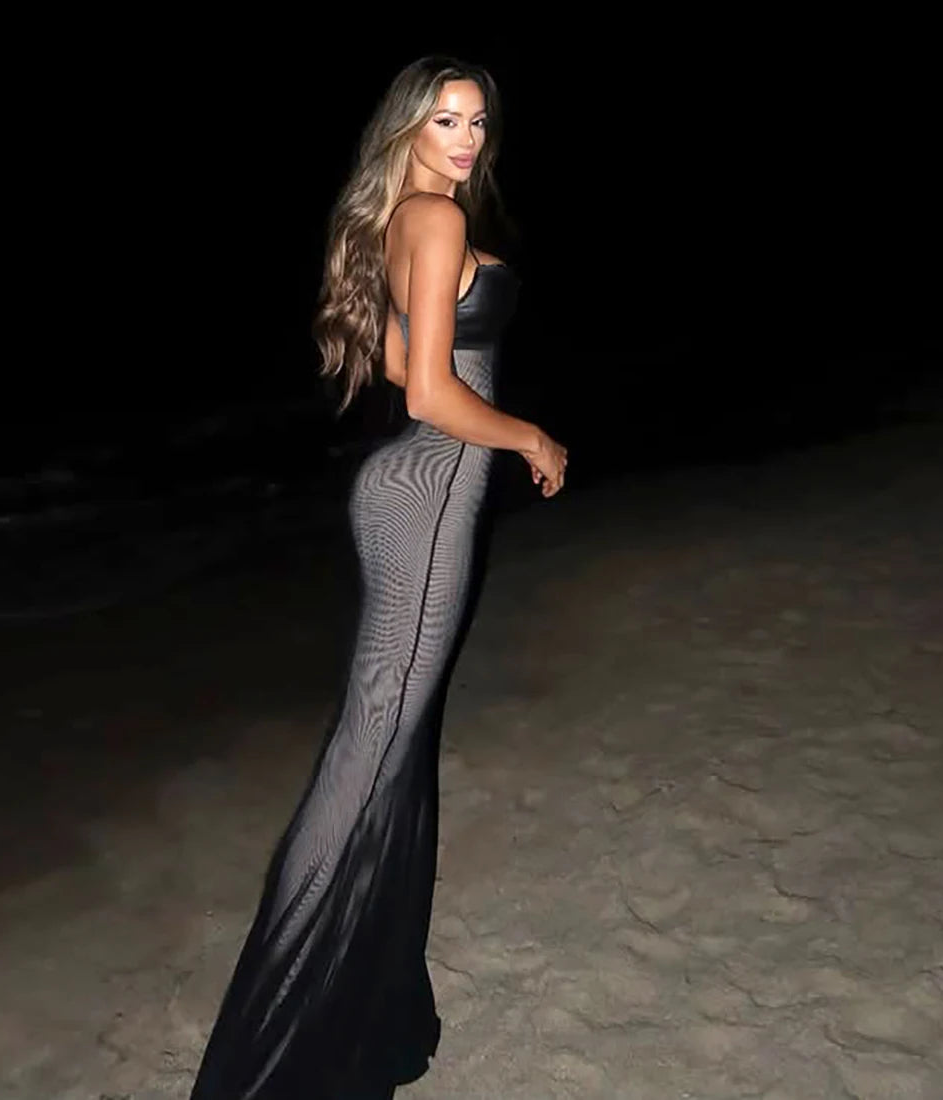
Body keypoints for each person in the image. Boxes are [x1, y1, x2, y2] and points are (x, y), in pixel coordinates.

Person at [190, 54, 568, 1099]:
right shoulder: (434, 218)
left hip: (412, 494)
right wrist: (530, 436)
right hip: (430, 493)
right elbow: (433, 395)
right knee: (369, 753)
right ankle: (272, 1038)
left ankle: (361, 994)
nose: (466, 139)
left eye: (477, 121)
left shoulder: (412, 216)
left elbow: (402, 364)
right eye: (445, 120)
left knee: (385, 746)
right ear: (407, 127)